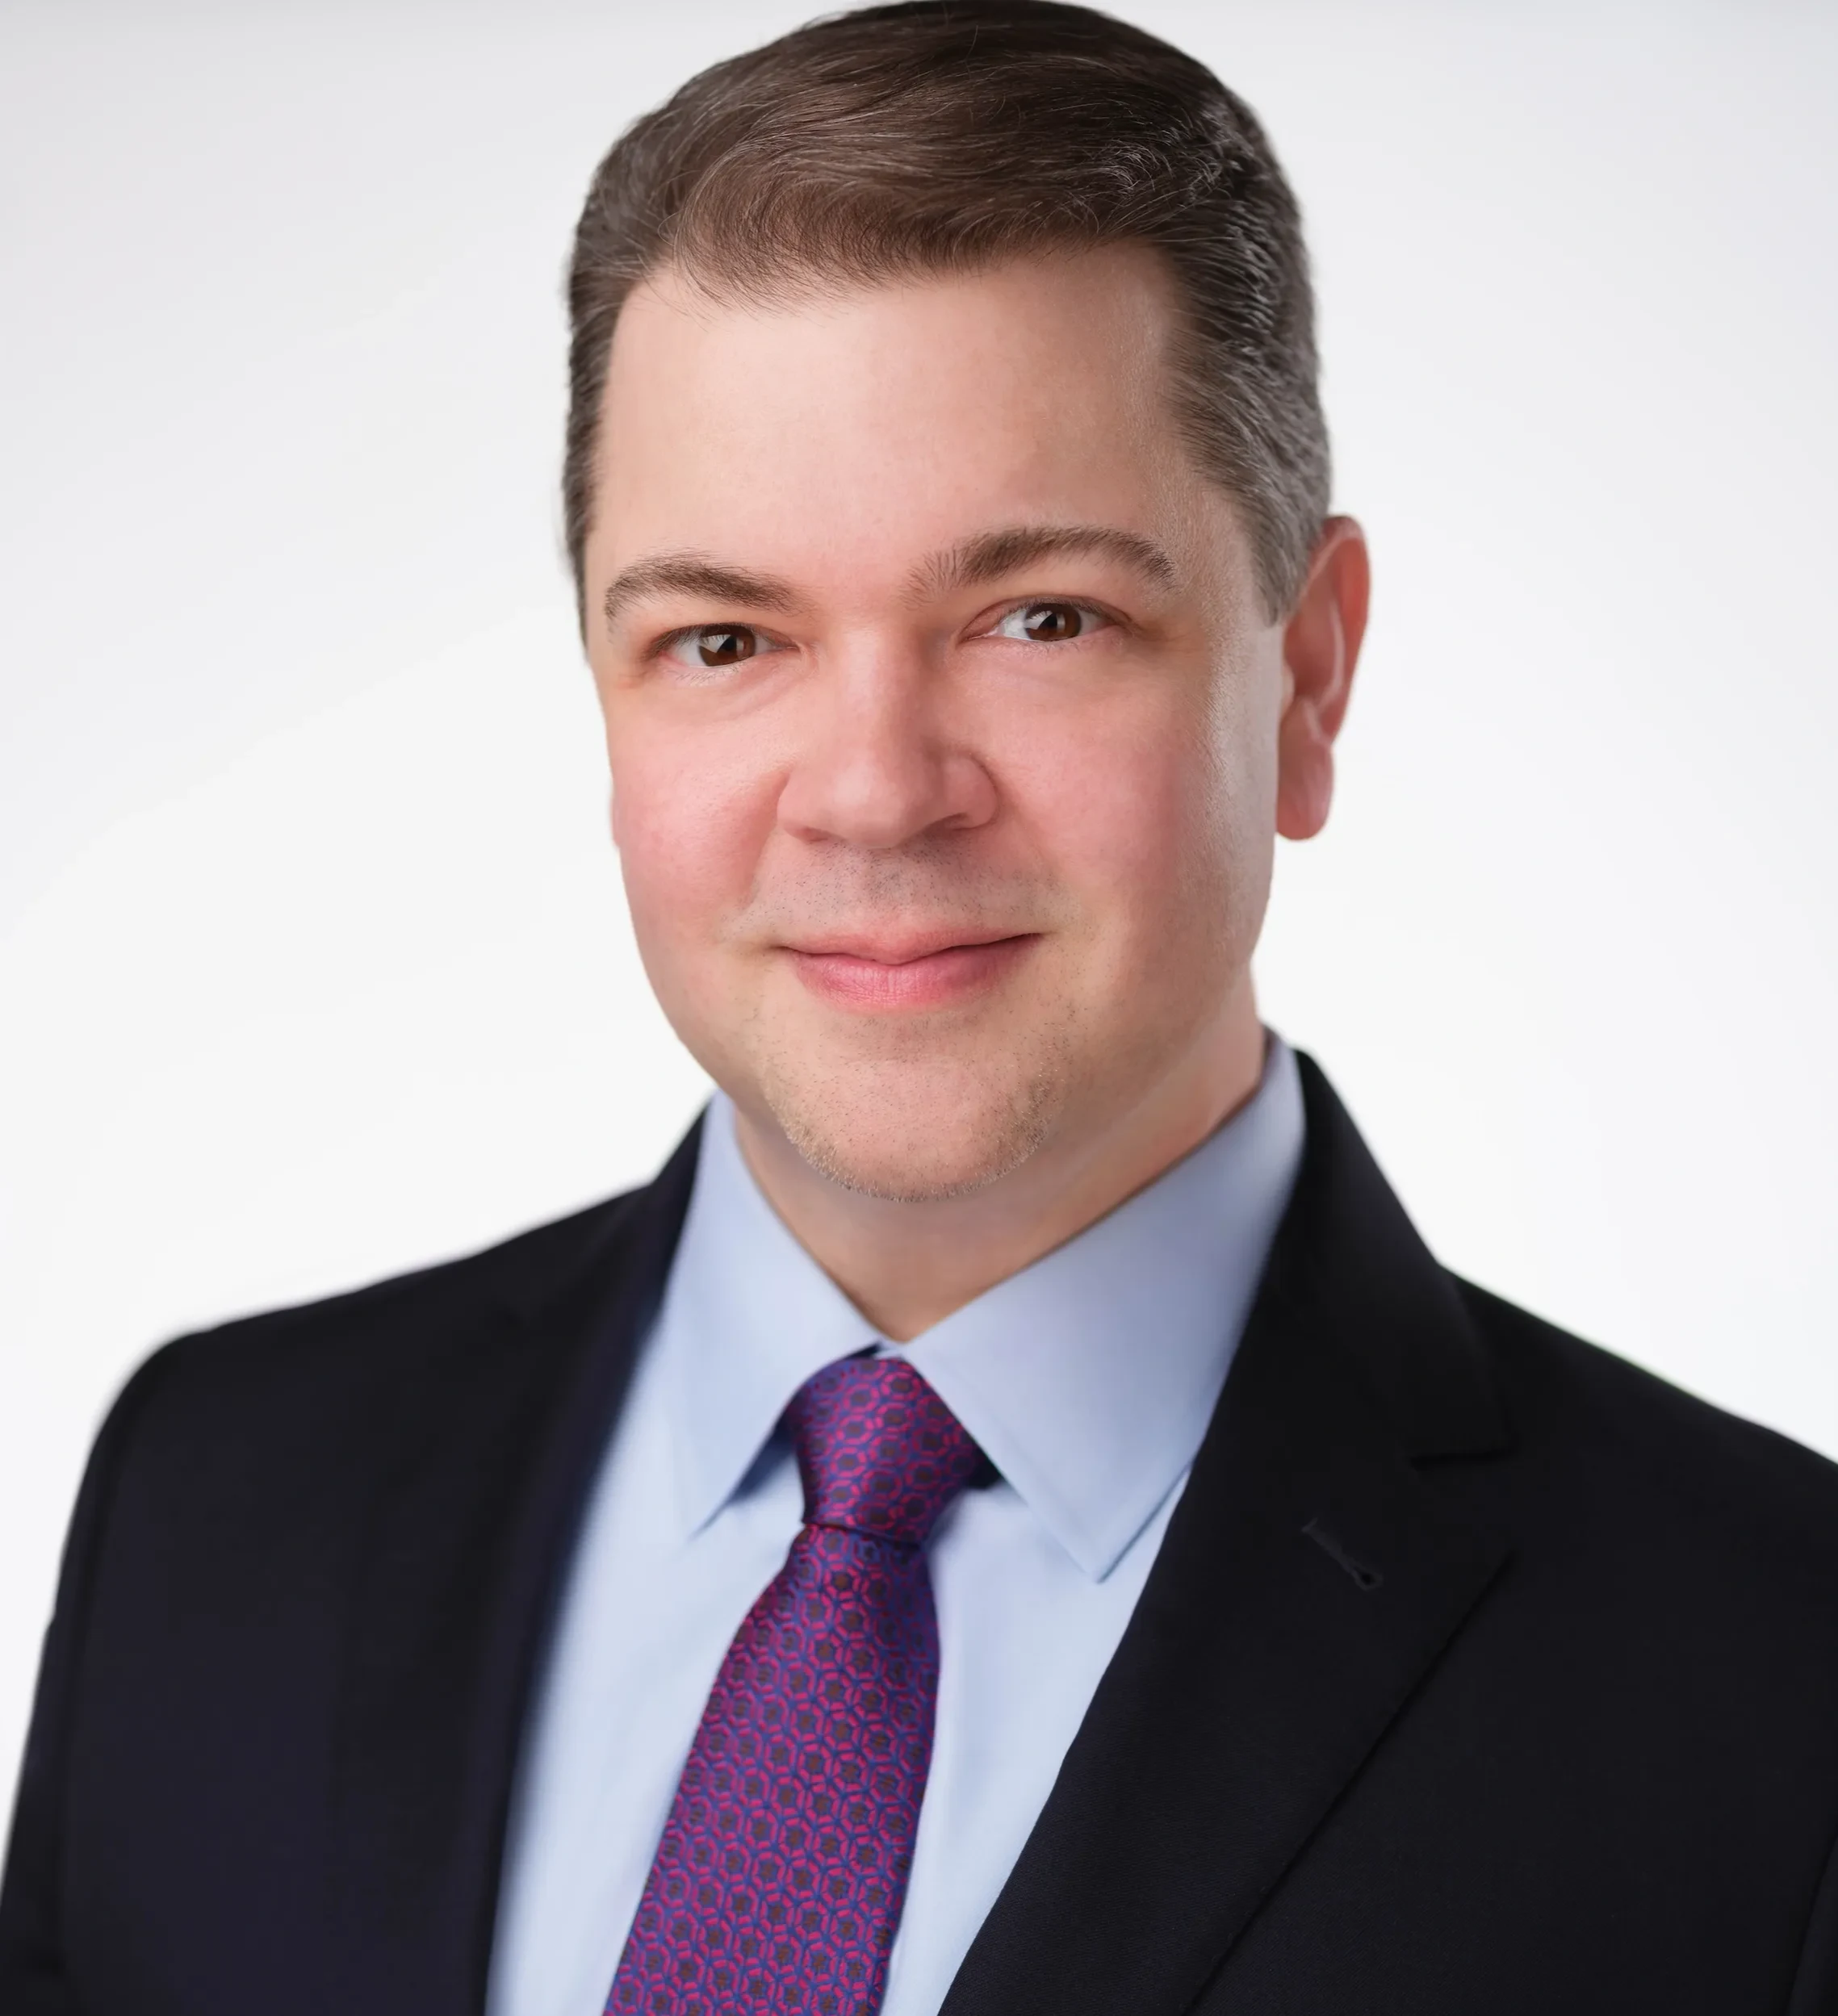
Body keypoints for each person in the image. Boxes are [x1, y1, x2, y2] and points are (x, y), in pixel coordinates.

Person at [5, 2, 1837, 2010]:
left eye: (1039, 618)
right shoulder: (220, 1494)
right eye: (725, 637)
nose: (875, 790)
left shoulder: (1771, 1673)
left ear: (1306, 676)